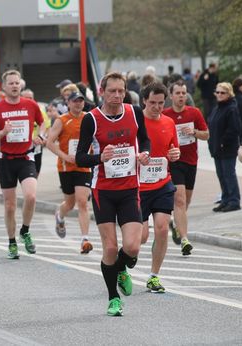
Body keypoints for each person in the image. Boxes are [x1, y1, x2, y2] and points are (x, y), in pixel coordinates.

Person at [75, 72, 151, 316]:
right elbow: (80, 157)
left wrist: (144, 154)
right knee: (110, 248)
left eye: (121, 91)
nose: (117, 96)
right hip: (103, 191)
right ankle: (113, 299)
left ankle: (121, 268)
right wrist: (100, 158)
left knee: (133, 247)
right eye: (112, 91)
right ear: (102, 91)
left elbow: (145, 140)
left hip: (130, 188)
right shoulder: (91, 119)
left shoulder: (134, 112)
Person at [0, 70, 46, 259]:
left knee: (31, 196)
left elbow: (43, 123)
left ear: (21, 85)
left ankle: (25, 231)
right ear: (4, 87)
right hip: (6, 160)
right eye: (11, 83)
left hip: (26, 158)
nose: (14, 86)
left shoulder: (30, 104)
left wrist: (40, 136)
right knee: (10, 206)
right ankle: (12, 242)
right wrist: (3, 132)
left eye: (17, 83)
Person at [138, 82, 180, 293]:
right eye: (152, 102)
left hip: (163, 183)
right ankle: (124, 259)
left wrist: (175, 154)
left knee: (163, 228)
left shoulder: (169, 122)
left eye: (161, 103)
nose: (156, 107)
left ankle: (154, 276)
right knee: (141, 237)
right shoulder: (136, 122)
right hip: (139, 188)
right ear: (144, 100)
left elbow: (174, 150)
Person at [163, 81, 209, 255]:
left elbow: (206, 134)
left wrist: (194, 133)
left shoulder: (194, 113)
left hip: (191, 161)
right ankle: (184, 240)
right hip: (174, 162)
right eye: (178, 93)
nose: (181, 96)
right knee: (180, 199)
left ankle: (176, 223)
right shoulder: (165, 115)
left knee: (186, 201)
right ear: (171, 96)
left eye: (184, 93)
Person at [45, 90, 93, 254]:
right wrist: (65, 156)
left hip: (84, 166)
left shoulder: (89, 118)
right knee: (70, 203)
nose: (78, 103)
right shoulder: (62, 120)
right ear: (69, 103)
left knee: (82, 202)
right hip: (66, 168)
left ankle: (85, 239)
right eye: (75, 101)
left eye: (80, 101)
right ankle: (60, 215)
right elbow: (50, 143)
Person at [208, 82, 241, 212]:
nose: (220, 95)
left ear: (229, 93)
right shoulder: (217, 108)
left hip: (227, 148)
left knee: (229, 174)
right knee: (221, 175)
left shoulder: (231, 108)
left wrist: (223, 142)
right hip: (217, 148)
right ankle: (226, 199)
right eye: (218, 92)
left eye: (223, 92)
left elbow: (234, 129)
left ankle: (234, 201)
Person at [21, 88, 51, 177]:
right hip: (23, 146)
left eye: (31, 98)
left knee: (36, 168)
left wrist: (42, 137)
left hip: (37, 144)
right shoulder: (19, 111)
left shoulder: (39, 110)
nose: (29, 100)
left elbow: (47, 126)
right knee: (25, 169)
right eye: (26, 98)